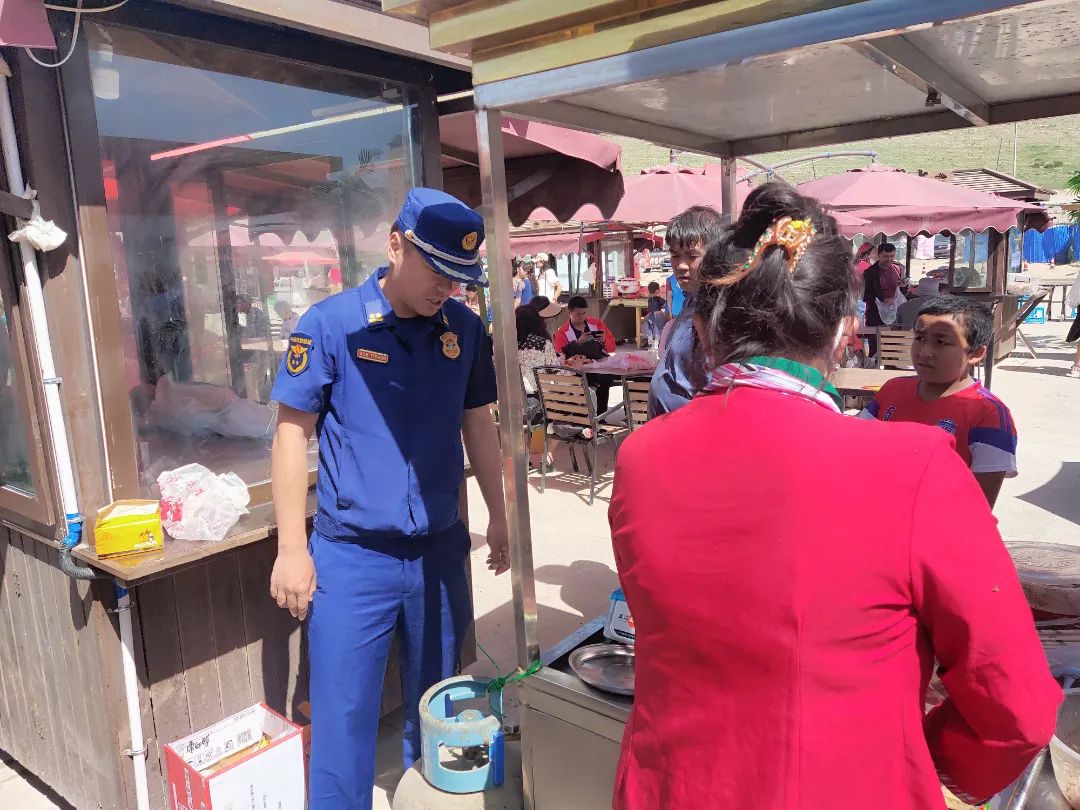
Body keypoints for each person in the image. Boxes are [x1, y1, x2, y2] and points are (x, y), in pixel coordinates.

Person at [608, 182, 1059, 810]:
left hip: (669, 788)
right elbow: (1017, 708)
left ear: (705, 334)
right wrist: (916, 756)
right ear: (846, 332)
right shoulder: (915, 466)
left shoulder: (641, 457)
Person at [268, 187, 509, 810]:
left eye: (459, 277)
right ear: (396, 244)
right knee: (343, 718)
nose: (447, 288)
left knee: (439, 705)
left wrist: (500, 514)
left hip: (439, 552)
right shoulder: (331, 325)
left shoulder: (464, 329)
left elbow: (477, 422)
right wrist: (291, 548)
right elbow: (292, 434)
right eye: (438, 270)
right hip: (353, 558)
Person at [859, 296, 1017, 508]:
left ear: (976, 353)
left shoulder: (989, 415)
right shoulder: (891, 390)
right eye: (920, 338)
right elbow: (858, 445)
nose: (924, 352)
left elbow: (978, 508)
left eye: (942, 342)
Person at [648, 206, 725, 417]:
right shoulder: (691, 299)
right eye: (675, 256)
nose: (681, 266)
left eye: (691, 256)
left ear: (716, 255)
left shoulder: (717, 310)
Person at [516, 300, 563, 472]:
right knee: (568, 408)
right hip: (533, 405)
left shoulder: (503, 343)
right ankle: (548, 455)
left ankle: (524, 458)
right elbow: (556, 373)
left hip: (508, 404)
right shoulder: (542, 344)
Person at [553, 296, 617, 411]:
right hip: (578, 370)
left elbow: (612, 348)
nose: (582, 317)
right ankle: (592, 415)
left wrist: (603, 340)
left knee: (605, 379)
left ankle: (601, 416)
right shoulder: (562, 333)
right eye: (578, 314)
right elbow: (561, 357)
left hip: (600, 366)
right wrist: (578, 343)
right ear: (569, 312)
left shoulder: (597, 324)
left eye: (584, 313)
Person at [642, 281, 668, 347]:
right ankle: (657, 343)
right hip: (657, 315)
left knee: (649, 326)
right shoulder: (658, 299)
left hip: (650, 315)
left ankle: (650, 341)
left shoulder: (649, 299)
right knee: (657, 328)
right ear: (657, 291)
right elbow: (665, 303)